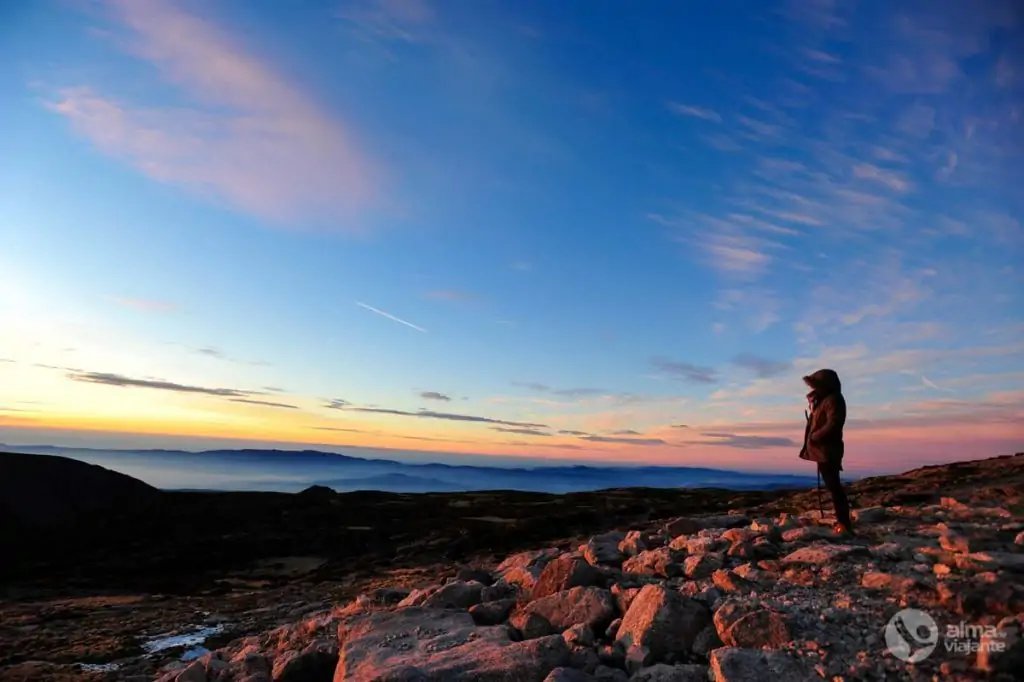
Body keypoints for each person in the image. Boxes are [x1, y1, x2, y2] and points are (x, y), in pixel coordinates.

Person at [799, 368, 853, 534]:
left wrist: (816, 436)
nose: (813, 388)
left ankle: (844, 523)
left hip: (828, 449)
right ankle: (842, 521)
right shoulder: (824, 399)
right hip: (823, 448)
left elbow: (834, 423)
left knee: (834, 486)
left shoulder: (834, 399)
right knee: (833, 485)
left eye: (817, 385)